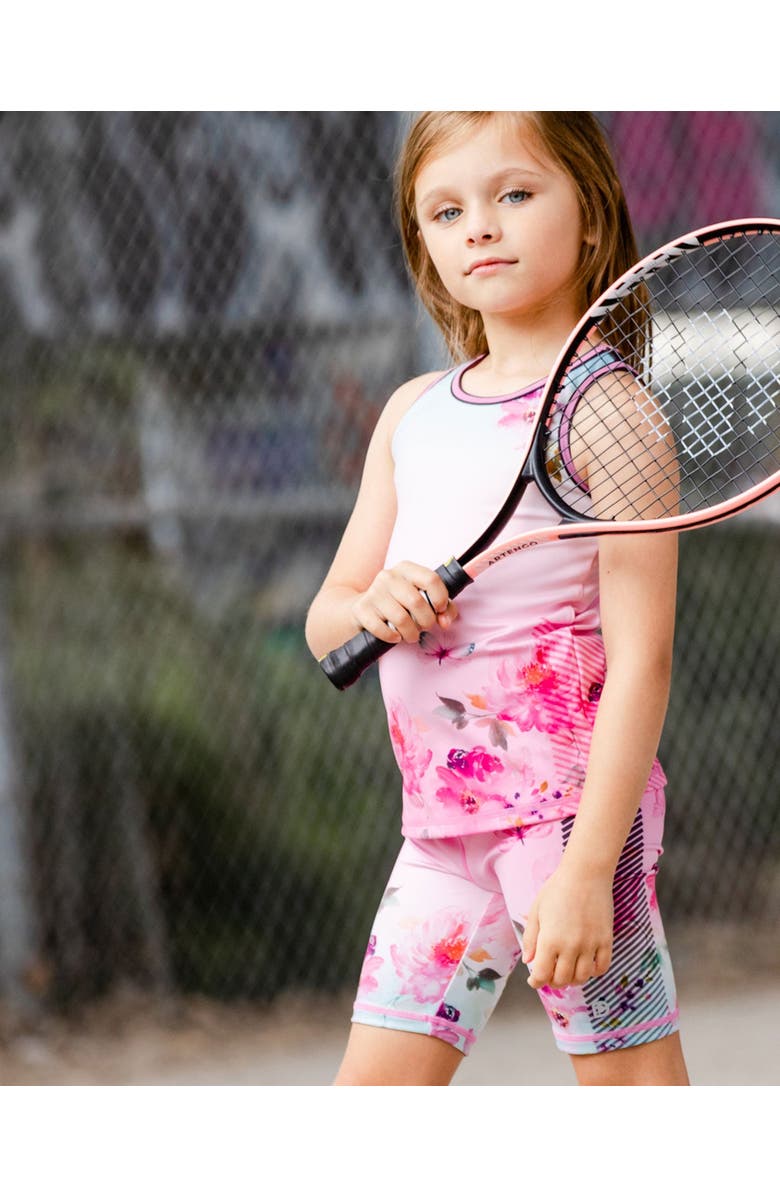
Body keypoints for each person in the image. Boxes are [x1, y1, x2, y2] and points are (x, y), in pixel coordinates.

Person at [305, 111, 690, 1086]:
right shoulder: (411, 412)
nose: (480, 224)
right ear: (425, 244)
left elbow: (643, 660)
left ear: (590, 217)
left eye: (515, 194)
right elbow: (328, 618)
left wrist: (589, 869)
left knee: (635, 1096)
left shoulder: (610, 412)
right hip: (439, 829)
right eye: (447, 208)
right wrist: (374, 606)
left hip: (567, 823)